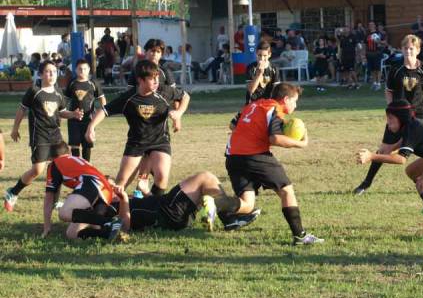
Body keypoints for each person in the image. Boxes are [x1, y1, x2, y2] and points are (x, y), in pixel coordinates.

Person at [225, 83, 323, 245]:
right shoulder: (275, 109)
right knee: (286, 191)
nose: (296, 105)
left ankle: (216, 203)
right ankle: (300, 236)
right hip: (254, 154)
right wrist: (301, 144)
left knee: (247, 204)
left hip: (233, 156)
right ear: (285, 99)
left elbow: (233, 125)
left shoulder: (253, 105)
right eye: (295, 101)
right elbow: (275, 138)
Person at [353, 35, 423, 195]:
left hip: (419, 117)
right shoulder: (396, 69)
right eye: (405, 48)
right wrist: (391, 111)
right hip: (398, 117)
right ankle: (366, 182)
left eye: (411, 48)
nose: (408, 51)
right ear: (401, 49)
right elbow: (389, 91)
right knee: (384, 150)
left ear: (418, 50)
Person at [356, 100, 423, 242]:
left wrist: (371, 156)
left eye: (390, 119)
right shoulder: (410, 125)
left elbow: (401, 159)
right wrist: (389, 148)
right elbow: (403, 143)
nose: (388, 123)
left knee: (422, 185)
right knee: (412, 172)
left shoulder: (413, 128)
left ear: (401, 118)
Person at [86, 60, 190, 197]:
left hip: (160, 141)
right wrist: (91, 127)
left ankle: (152, 210)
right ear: (140, 80)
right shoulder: (129, 97)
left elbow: (185, 96)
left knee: (161, 177)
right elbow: (104, 110)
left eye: (157, 77)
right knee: (121, 183)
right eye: (152, 78)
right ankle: (110, 210)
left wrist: (179, 113)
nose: (156, 81)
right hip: (136, 143)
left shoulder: (164, 92)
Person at [65, 170, 258, 239]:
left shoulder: (118, 200)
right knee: (205, 178)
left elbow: (143, 208)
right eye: (109, 184)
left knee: (204, 187)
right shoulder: (108, 206)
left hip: (169, 213)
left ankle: (227, 215)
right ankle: (231, 211)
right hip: (167, 211)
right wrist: (123, 200)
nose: (114, 186)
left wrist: (145, 190)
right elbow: (125, 225)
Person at [4, 61, 84, 213]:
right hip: (39, 136)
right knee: (37, 170)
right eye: (48, 71)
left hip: (56, 136)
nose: (52, 74)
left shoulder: (58, 92)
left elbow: (61, 112)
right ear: (41, 74)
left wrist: (73, 114)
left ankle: (54, 201)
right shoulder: (34, 91)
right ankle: (13, 192)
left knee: (62, 167)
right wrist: (15, 129)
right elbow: (22, 110)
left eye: (54, 71)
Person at [42, 141, 122, 239]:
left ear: (50, 158)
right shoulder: (76, 159)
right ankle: (106, 233)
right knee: (72, 234)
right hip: (105, 191)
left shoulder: (54, 164)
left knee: (64, 213)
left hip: (91, 185)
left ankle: (108, 222)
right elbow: (55, 192)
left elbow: (49, 199)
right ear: (69, 152)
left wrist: (46, 227)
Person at [65, 59, 106, 161]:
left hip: (88, 120)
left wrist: (102, 111)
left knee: (87, 145)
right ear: (75, 70)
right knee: (74, 145)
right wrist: (64, 112)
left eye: (84, 69)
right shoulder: (72, 83)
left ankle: (86, 168)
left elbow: (102, 99)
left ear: (89, 70)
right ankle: (76, 168)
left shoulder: (93, 83)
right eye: (80, 69)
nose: (82, 71)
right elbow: (65, 100)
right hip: (73, 120)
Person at [366, 21, 384, 90]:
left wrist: (378, 41)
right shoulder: (367, 34)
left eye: (372, 24)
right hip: (369, 53)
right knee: (372, 69)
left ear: (374, 26)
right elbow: (365, 44)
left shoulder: (378, 33)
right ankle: (374, 83)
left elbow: (384, 43)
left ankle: (379, 83)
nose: (371, 26)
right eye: (369, 25)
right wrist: (363, 54)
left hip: (377, 53)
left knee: (378, 69)